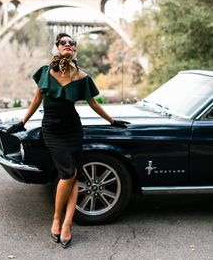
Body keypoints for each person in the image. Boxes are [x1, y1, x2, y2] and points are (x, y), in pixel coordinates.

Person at [8, 33, 128, 248]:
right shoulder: (45, 73)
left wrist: (111, 121)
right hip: (52, 131)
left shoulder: (82, 78)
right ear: (56, 47)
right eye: (63, 42)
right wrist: (22, 121)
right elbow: (37, 99)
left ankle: (67, 224)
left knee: (72, 175)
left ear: (75, 50)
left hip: (73, 130)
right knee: (69, 173)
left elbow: (92, 103)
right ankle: (56, 219)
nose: (68, 45)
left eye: (72, 43)